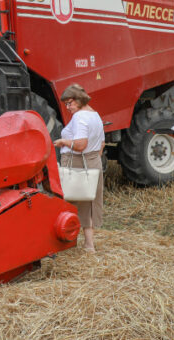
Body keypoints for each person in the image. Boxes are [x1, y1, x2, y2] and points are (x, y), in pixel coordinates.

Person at [52, 84, 105, 251]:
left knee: (68, 200)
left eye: (70, 103)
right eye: (66, 104)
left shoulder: (80, 117)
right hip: (93, 161)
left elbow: (81, 144)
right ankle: (89, 244)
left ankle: (64, 240)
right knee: (88, 203)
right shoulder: (95, 115)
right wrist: (93, 159)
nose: (68, 108)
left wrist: (63, 142)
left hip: (77, 163)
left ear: (79, 100)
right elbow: (102, 143)